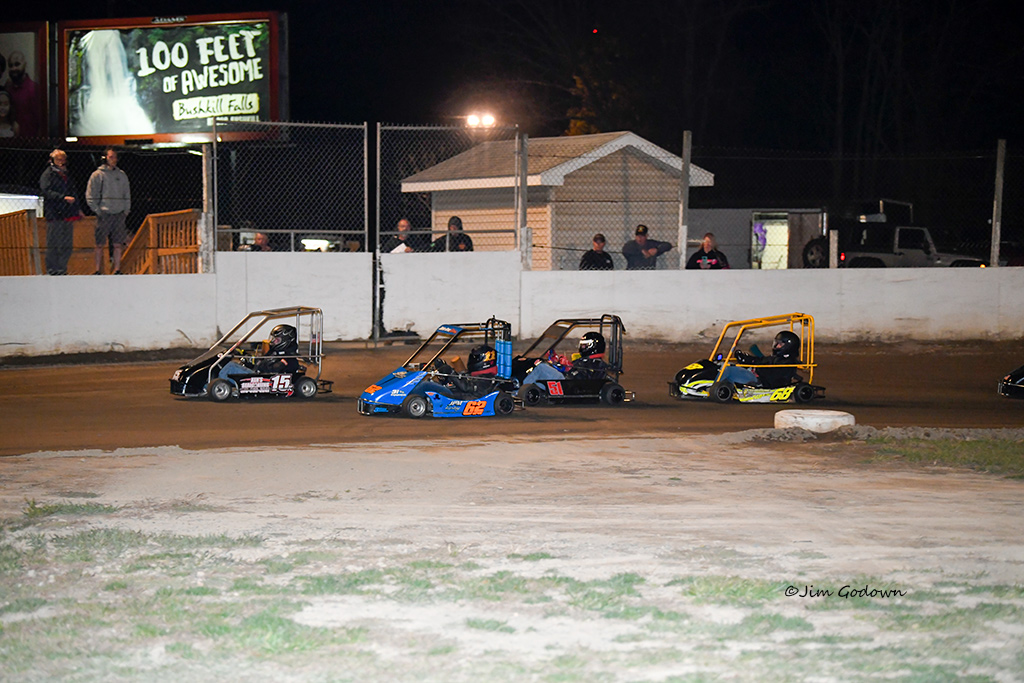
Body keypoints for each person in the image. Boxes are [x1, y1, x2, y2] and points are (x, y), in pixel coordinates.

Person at [86, 148, 131, 274]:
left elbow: (126, 193)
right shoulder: (97, 175)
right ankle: (97, 269)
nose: (114, 160)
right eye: (111, 157)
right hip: (104, 213)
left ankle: (117, 269)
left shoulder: (121, 175)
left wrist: (126, 209)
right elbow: (90, 194)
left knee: (118, 243)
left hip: (119, 213)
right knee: (99, 243)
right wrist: (97, 210)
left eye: (115, 157)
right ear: (104, 158)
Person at [40, 149, 84, 276]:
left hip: (67, 213)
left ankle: (62, 268)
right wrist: (63, 198)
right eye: (58, 159)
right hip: (55, 213)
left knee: (67, 243)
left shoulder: (66, 175)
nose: (61, 162)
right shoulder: (48, 175)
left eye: (63, 159)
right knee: (54, 242)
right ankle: (52, 269)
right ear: (52, 161)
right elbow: (46, 191)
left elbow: (73, 192)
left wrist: (78, 209)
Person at [217, 324, 300, 384]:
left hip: (262, 380)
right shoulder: (274, 352)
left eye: (277, 340)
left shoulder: (289, 358)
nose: (273, 341)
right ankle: (217, 386)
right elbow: (262, 363)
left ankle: (219, 387)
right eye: (273, 339)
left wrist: (259, 363)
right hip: (257, 375)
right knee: (231, 364)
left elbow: (271, 371)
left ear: (286, 340)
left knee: (231, 367)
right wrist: (247, 358)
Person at [720, 330, 802, 388]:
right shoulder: (776, 358)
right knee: (725, 365)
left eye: (780, 344)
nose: (776, 346)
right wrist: (749, 360)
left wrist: (756, 367)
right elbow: (763, 361)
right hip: (755, 376)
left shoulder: (788, 363)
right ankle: (718, 385)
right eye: (776, 343)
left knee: (729, 370)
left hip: (760, 382)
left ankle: (715, 386)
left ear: (788, 347)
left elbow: (771, 375)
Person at [522, 332, 609, 385]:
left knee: (542, 367)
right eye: (582, 345)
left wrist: (569, 368)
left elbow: (583, 380)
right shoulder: (583, 360)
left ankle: (520, 389)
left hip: (568, 383)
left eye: (584, 345)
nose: (582, 347)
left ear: (594, 346)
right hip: (564, 380)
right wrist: (557, 363)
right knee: (539, 367)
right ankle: (526, 389)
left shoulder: (597, 364)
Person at [4, 51, 40, 138]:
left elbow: (41, 121)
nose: (13, 68)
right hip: (10, 142)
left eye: (17, 64)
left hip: (30, 142)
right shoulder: (7, 90)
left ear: (25, 65)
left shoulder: (34, 89)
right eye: (11, 65)